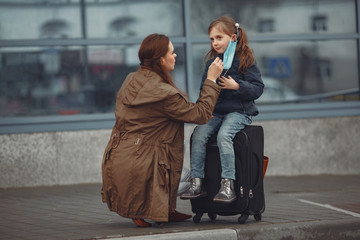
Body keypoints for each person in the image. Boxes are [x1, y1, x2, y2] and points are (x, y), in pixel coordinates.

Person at [101, 33, 223, 227]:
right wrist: (211, 79)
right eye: (172, 53)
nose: (175, 56)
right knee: (194, 180)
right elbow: (200, 114)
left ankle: (164, 210)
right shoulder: (164, 94)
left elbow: (161, 114)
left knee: (176, 166)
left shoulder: (131, 80)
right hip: (143, 165)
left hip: (119, 160)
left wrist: (189, 112)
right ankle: (143, 210)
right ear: (160, 59)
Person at [180, 16, 264, 203]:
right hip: (216, 112)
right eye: (212, 39)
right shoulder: (212, 63)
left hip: (240, 111)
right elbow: (204, 89)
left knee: (223, 135)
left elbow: (258, 88)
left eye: (219, 38)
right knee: (199, 135)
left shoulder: (245, 60)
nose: (215, 43)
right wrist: (205, 108)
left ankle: (228, 185)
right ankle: (197, 183)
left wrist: (237, 86)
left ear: (233, 38)